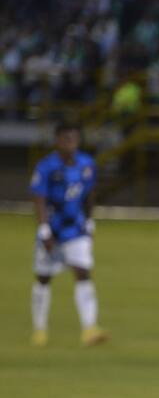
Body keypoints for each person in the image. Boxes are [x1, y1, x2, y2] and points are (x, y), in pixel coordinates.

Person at [29, 122, 105, 348]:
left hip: (76, 229)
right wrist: (43, 230)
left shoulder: (86, 164)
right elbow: (39, 198)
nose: (69, 143)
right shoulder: (46, 167)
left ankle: (89, 328)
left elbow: (90, 193)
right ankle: (40, 329)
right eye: (65, 139)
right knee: (44, 278)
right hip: (52, 230)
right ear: (57, 141)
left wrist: (89, 221)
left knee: (82, 272)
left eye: (73, 139)